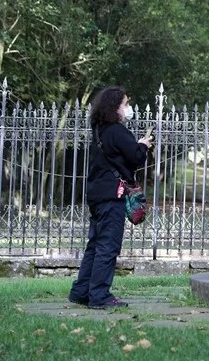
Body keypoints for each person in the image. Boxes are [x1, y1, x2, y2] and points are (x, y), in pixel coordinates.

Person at [69, 86, 154, 309]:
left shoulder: (99, 130)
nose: (129, 108)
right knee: (108, 246)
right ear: (115, 107)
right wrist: (143, 146)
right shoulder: (117, 131)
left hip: (97, 193)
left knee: (95, 245)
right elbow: (135, 158)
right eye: (126, 104)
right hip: (112, 196)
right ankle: (100, 295)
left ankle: (81, 291)